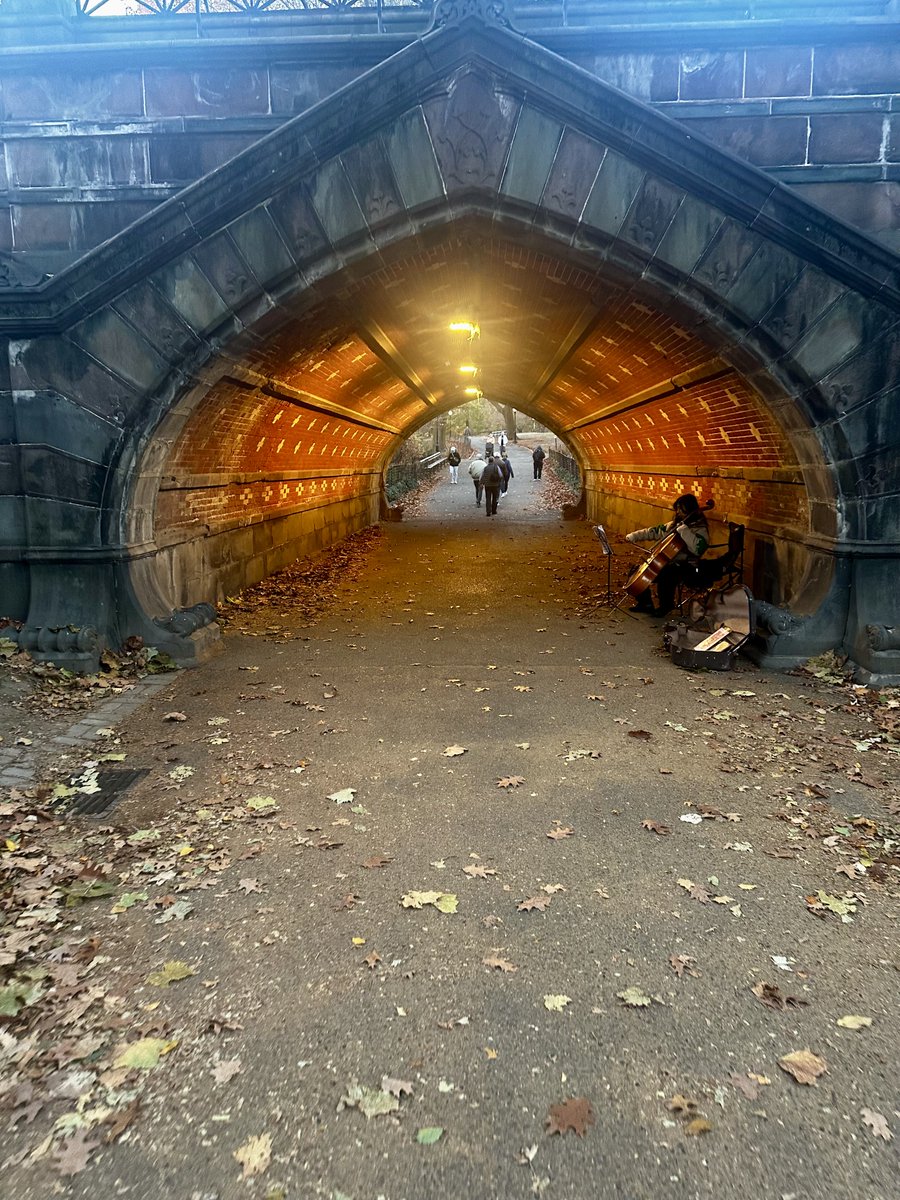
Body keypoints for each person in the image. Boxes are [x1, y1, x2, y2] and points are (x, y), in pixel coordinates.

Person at [625, 494, 710, 616]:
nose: (678, 512)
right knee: (636, 570)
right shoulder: (675, 524)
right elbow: (654, 531)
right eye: (678, 509)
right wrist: (634, 536)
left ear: (690, 510)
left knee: (667, 574)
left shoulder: (700, 529)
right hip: (668, 562)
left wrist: (685, 531)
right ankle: (645, 604)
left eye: (682, 509)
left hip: (688, 566)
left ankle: (666, 605)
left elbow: (697, 549)